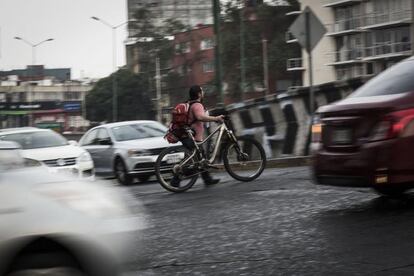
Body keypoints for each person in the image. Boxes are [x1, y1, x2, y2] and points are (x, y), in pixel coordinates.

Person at [170, 85, 225, 187]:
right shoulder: (197, 105)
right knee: (195, 163)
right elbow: (200, 117)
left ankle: (207, 179)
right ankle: (177, 178)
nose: (203, 93)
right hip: (193, 138)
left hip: (189, 137)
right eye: (202, 91)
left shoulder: (190, 103)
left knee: (201, 160)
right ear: (199, 94)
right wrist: (216, 118)